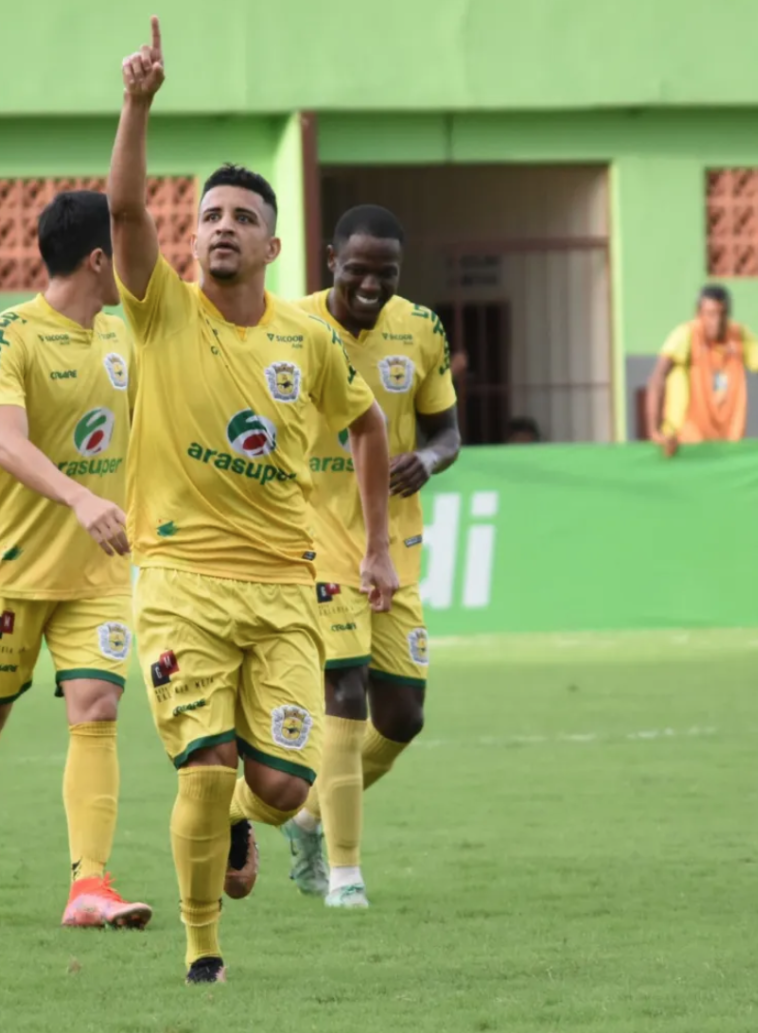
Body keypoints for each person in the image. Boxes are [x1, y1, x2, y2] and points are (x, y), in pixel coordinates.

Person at [107, 17, 399, 985]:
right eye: (208, 217)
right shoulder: (159, 310)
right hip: (181, 583)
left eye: (239, 217)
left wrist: (376, 549)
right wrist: (137, 103)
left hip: (286, 591)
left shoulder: (308, 342)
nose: (219, 227)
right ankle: (202, 952)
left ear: (273, 245)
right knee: (206, 762)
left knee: (276, 787)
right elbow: (122, 213)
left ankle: (245, 823)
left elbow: (367, 428)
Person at [0, 190, 152, 932]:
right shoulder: (8, 334)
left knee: (98, 706)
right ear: (97, 259)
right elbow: (7, 443)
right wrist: (80, 499)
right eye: (118, 247)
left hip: (99, 573)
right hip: (15, 570)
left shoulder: (125, 335)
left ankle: (89, 884)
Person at [283, 205, 460, 909]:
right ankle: (345, 875)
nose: (370, 283)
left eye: (385, 272)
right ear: (330, 258)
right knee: (344, 692)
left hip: (394, 543)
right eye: (357, 268)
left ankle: (305, 817)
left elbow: (448, 431)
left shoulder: (420, 329)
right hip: (314, 537)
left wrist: (429, 459)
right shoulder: (291, 328)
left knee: (404, 716)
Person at [645, 284, 758, 456]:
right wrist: (655, 432)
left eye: (722, 314)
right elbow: (657, 378)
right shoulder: (686, 335)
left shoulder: (738, 336)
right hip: (685, 445)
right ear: (698, 314)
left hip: (728, 447)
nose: (717, 322)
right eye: (710, 314)